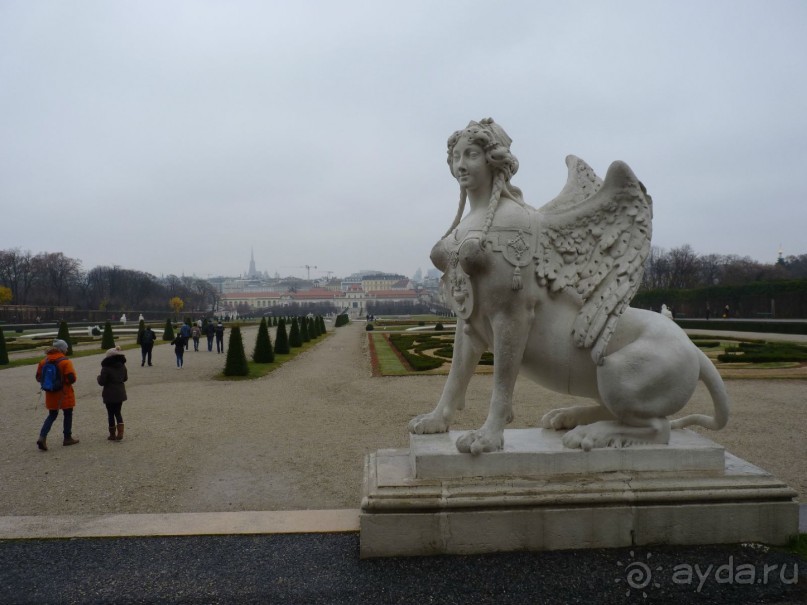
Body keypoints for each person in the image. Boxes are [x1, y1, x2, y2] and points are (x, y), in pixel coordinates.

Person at [35, 339, 79, 450]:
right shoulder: (65, 362)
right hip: (64, 393)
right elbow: (72, 378)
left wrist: (50, 384)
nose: (67, 349)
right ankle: (67, 438)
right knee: (68, 414)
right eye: (66, 347)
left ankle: (42, 437)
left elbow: (38, 377)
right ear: (62, 349)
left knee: (52, 415)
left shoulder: (44, 361)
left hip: (51, 393)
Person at [97, 346, 128, 441]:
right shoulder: (122, 366)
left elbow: (102, 382)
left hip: (109, 393)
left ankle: (112, 435)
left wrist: (98, 377)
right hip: (120, 392)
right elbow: (125, 378)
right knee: (118, 412)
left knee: (110, 414)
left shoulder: (106, 368)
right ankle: (121, 433)